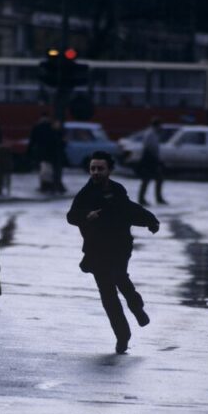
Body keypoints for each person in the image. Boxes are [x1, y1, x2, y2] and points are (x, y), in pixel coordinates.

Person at [67, 150, 160, 354]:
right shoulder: (85, 193)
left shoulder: (118, 190)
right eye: (93, 168)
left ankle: (136, 307)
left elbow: (129, 210)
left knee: (120, 277)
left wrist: (150, 221)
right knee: (108, 296)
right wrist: (86, 215)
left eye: (100, 168)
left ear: (109, 170)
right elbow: (71, 216)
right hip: (96, 251)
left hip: (119, 247)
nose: (96, 172)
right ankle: (122, 336)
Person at [137, 117, 167, 205]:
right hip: (150, 160)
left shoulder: (152, 133)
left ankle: (155, 198)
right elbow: (151, 148)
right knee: (148, 179)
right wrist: (156, 159)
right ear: (156, 125)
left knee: (154, 179)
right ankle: (144, 199)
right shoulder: (150, 134)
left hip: (151, 160)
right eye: (160, 125)